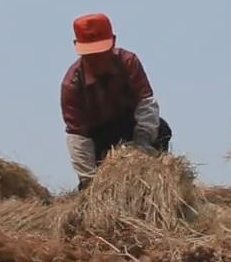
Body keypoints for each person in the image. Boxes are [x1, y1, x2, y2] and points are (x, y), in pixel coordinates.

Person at [61, 13, 171, 190]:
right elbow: (78, 136)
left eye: (101, 52)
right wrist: (89, 179)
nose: (97, 60)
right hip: (99, 138)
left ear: (113, 41)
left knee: (162, 129)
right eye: (91, 55)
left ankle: (159, 185)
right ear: (77, 47)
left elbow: (146, 105)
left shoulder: (128, 63)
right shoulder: (72, 84)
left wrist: (141, 147)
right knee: (89, 187)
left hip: (131, 127)